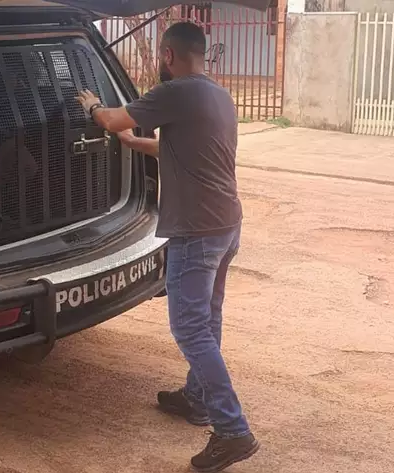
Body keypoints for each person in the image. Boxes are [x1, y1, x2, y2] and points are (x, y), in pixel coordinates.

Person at [76, 22, 258, 473]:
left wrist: (92, 104)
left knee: (190, 328)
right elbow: (181, 148)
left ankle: (232, 429)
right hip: (226, 225)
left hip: (196, 231)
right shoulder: (217, 94)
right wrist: (134, 142)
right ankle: (196, 398)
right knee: (208, 318)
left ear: (168, 55)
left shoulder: (176, 91)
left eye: (160, 55)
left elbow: (111, 118)